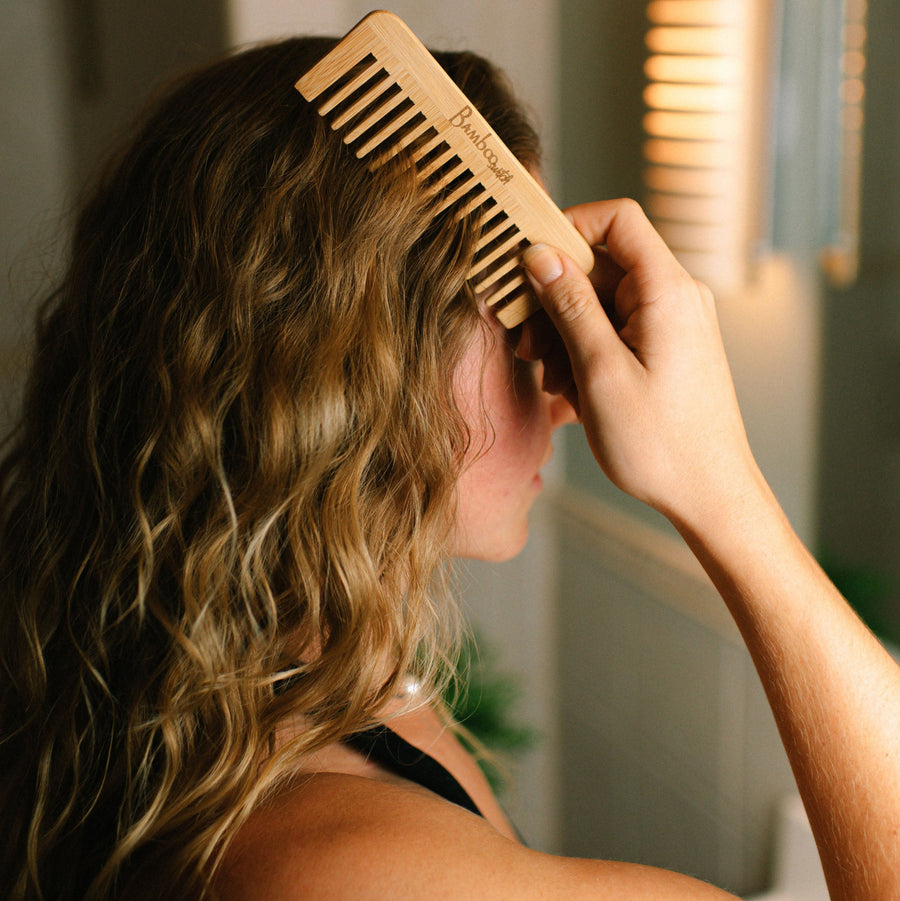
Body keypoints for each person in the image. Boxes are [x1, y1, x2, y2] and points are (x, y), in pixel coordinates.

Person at [1, 32, 897, 901]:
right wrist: (723, 490)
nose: (563, 399)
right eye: (521, 332)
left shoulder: (304, 689)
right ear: (344, 376)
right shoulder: (361, 873)